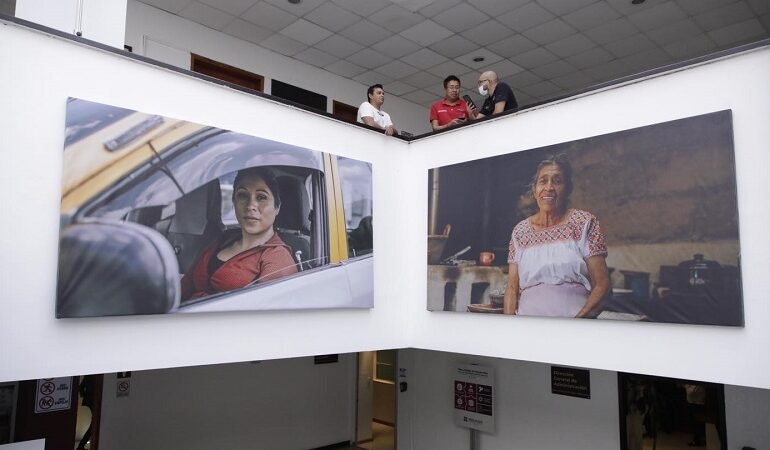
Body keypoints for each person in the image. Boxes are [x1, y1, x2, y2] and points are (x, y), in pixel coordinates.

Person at [503, 154, 610, 318]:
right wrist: (509, 326)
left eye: (557, 181)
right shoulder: (520, 231)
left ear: (568, 189)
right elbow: (511, 288)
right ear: (535, 190)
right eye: (543, 181)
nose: (549, 187)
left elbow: (603, 286)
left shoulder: (584, 223)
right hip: (527, 325)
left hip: (574, 322)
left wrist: (576, 324)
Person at [181, 167, 298, 300]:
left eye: (261, 197)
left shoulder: (277, 258)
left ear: (277, 207)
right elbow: (184, 287)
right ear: (234, 201)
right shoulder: (224, 239)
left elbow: (264, 308)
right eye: (242, 195)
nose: (250, 206)